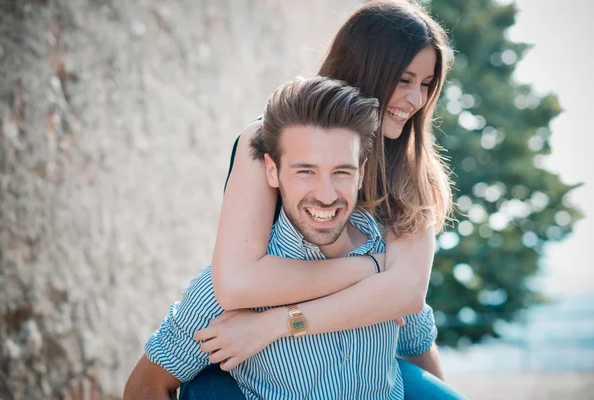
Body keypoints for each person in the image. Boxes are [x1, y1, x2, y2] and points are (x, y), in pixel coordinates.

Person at [186, 1, 461, 399]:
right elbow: (237, 284)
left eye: (426, 84)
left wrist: (277, 323)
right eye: (404, 79)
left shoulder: (414, 169)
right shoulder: (268, 138)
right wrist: (371, 268)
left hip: (371, 354)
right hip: (266, 368)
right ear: (367, 67)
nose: (416, 99)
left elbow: (405, 296)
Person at [124, 76, 450, 400]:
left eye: (342, 172)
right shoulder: (231, 288)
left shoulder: (394, 263)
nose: (326, 195)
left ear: (361, 172)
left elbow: (420, 352)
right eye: (305, 171)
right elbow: (144, 386)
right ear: (272, 171)